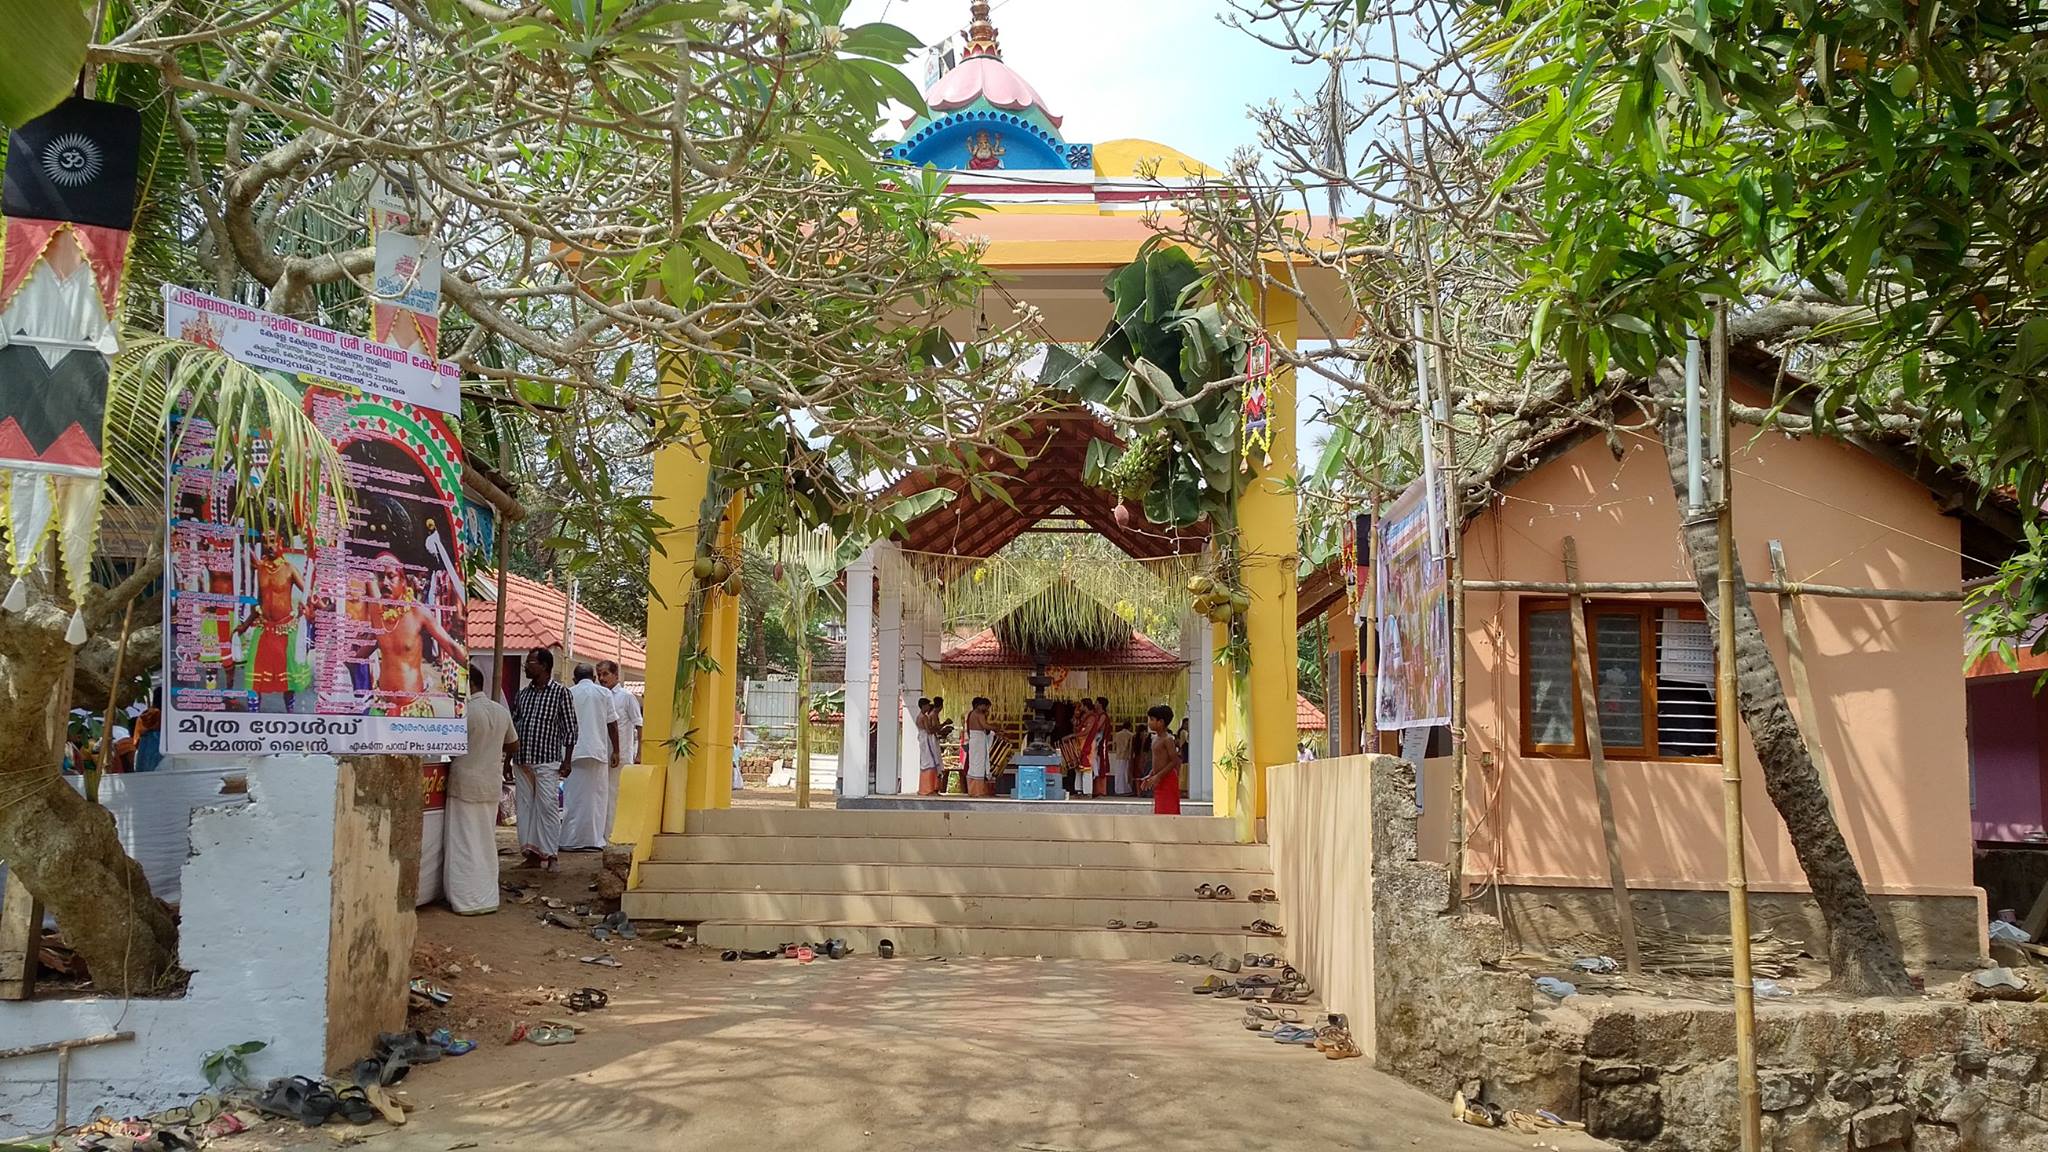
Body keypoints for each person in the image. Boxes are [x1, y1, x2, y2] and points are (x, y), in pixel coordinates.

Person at [446, 665, 517, 914]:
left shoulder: (463, 712)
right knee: (486, 842)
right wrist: (496, 756)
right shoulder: (500, 711)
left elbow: (451, 747)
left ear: (469, 684)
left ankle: (466, 898)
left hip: (465, 782)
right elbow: (514, 744)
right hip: (490, 782)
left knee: (464, 842)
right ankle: (487, 897)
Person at [362, 552, 466, 717]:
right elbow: (368, 647)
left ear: (403, 581)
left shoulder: (419, 612)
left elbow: (451, 648)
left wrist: (473, 675)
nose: (385, 583)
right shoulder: (376, 610)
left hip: (413, 709)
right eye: (381, 577)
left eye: (391, 577)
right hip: (382, 707)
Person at [510, 648, 577, 869]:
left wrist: (567, 760)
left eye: (531, 662)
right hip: (522, 760)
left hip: (547, 759)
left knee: (547, 806)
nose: (526, 666)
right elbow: (513, 728)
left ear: (544, 666)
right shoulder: (522, 695)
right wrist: (507, 760)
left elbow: (570, 729)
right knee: (525, 807)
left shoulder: (561, 693)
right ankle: (531, 854)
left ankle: (551, 855)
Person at [237, 526, 310, 713]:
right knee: (255, 678)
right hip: (264, 629)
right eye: (265, 541)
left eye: (272, 540)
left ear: (280, 542)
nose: (269, 545)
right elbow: (258, 601)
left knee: (287, 681)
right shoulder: (260, 569)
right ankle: (254, 718)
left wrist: (306, 607)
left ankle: (290, 716)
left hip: (286, 630)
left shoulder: (289, 569)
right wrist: (245, 625)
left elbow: (309, 594)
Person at [561, 663, 620, 851]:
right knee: (597, 799)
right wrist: (616, 750)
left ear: (574, 679)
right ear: (594, 678)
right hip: (597, 751)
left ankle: (570, 839)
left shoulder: (568, 693)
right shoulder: (604, 694)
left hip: (573, 753)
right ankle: (593, 840)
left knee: (573, 798)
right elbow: (612, 724)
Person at [596, 660, 641, 831]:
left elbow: (639, 724)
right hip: (601, 753)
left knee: (616, 794)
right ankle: (603, 833)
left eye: (605, 674)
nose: (601, 678)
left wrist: (639, 754)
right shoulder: (599, 696)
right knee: (603, 795)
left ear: (616, 675)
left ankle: (614, 832)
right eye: (599, 674)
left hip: (621, 754)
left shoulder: (626, 697)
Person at [1140, 704, 1181, 816]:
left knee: (1168, 811)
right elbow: (1158, 761)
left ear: (1161, 722)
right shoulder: (1155, 738)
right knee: (1160, 811)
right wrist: (1151, 775)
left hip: (1167, 779)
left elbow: (1174, 761)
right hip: (1159, 779)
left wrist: (1158, 776)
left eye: (1152, 719)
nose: (1149, 722)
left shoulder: (1168, 739)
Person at [965, 697, 995, 797]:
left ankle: (972, 790)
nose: (987, 709)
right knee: (979, 764)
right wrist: (996, 728)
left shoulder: (971, 713)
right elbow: (985, 726)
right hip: (978, 740)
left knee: (974, 764)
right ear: (980, 705)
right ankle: (978, 791)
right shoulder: (980, 714)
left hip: (974, 739)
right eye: (986, 707)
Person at [1108, 719, 1134, 797]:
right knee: (1125, 773)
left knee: (1119, 773)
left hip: (1118, 756)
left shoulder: (1118, 734)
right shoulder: (1131, 735)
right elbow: (1130, 747)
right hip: (1126, 756)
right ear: (1129, 727)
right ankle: (1126, 789)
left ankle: (1118, 789)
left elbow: (1114, 744)